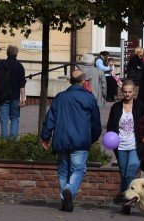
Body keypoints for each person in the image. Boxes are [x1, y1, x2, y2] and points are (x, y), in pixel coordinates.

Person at [40, 70, 102, 212]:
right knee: (78, 169)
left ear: (70, 81)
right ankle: (68, 190)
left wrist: (45, 136)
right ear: (83, 81)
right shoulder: (89, 98)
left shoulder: (60, 97)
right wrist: (93, 138)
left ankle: (64, 201)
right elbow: (95, 123)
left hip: (61, 139)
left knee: (63, 171)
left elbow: (50, 119)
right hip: (80, 140)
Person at [107, 80, 144, 214]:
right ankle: (125, 201)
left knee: (130, 174)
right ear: (122, 91)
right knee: (123, 175)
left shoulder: (140, 106)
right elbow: (111, 126)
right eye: (125, 92)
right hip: (121, 146)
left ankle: (129, 201)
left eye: (130, 92)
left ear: (134, 91)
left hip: (135, 146)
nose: (128, 94)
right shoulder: (116, 107)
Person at [0, 45, 27, 139]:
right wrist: (23, 97)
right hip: (15, 97)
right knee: (15, 119)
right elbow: (22, 84)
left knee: (4, 121)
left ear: (7, 53)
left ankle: (4, 144)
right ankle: (13, 144)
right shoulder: (19, 66)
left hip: (2, 96)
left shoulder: (0, 64)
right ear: (16, 54)